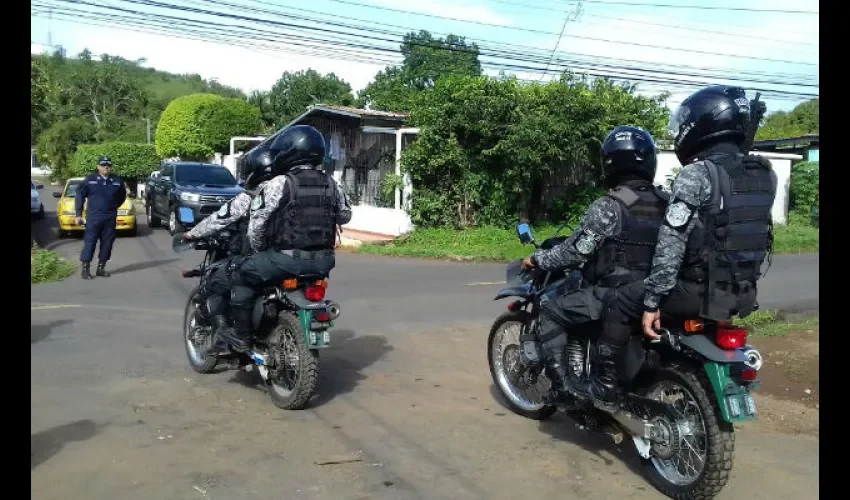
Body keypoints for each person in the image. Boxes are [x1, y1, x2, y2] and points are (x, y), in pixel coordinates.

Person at [603, 85, 776, 378]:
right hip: (743, 291)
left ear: (701, 125)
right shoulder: (764, 172)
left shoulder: (696, 174)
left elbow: (671, 242)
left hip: (698, 291)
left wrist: (652, 301)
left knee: (620, 300)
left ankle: (605, 378)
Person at [521, 125, 668, 406]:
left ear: (610, 163)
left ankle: (566, 388)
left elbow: (576, 252)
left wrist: (537, 258)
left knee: (551, 309)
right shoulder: (667, 202)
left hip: (614, 295)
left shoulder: (610, 205)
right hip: (653, 295)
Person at [213, 125, 352, 353]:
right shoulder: (332, 184)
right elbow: (345, 216)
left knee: (240, 273)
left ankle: (242, 337)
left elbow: (256, 225)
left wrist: (257, 251)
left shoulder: (280, 183)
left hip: (285, 259)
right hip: (324, 261)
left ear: (289, 153)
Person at [181, 145, 274, 354]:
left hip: (255, 261)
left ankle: (226, 335)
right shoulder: (288, 190)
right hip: (284, 259)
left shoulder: (251, 196)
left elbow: (219, 219)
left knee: (215, 278)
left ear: (253, 172)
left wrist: (192, 234)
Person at [75, 156, 128, 280]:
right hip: (94, 217)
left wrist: (112, 207)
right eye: (103, 165)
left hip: (109, 218)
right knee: (90, 243)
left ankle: (101, 268)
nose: (106, 167)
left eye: (108, 165)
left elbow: (121, 197)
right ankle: (85, 269)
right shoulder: (90, 180)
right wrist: (78, 214)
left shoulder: (117, 181)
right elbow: (80, 195)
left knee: (107, 243)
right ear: (98, 167)